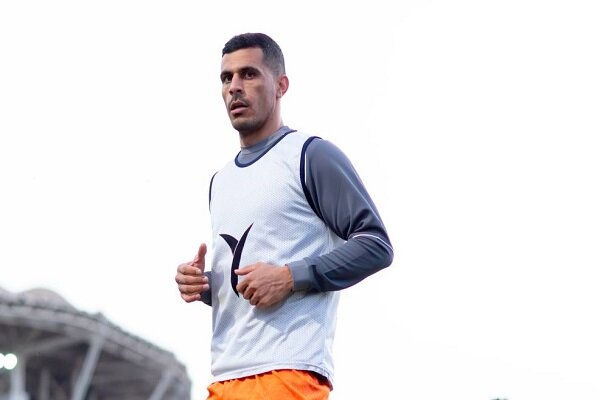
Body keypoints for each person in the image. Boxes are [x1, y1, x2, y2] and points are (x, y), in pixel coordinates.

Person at [175, 32, 393, 400]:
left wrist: (290, 277)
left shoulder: (309, 155)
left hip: (288, 372)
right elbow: (250, 281)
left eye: (249, 74)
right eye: (226, 78)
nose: (234, 87)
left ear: (281, 85)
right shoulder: (220, 181)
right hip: (224, 378)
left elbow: (376, 245)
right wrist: (206, 285)